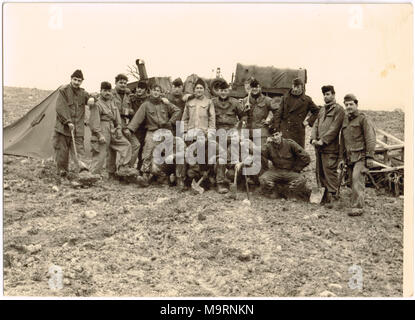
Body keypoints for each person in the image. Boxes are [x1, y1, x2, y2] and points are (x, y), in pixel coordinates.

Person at [125, 84, 181, 185]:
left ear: (160, 92)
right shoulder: (145, 105)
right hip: (152, 131)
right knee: (148, 153)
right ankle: (146, 176)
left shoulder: (165, 103)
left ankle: (169, 176)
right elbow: (137, 118)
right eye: (154, 90)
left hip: (165, 132)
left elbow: (177, 111)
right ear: (150, 91)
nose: (156, 92)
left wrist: (170, 122)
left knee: (169, 154)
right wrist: (130, 129)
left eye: (158, 91)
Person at [339, 94, 376, 216]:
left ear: (356, 104)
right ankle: (354, 201)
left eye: (351, 104)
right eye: (346, 104)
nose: (349, 107)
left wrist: (370, 157)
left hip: (361, 156)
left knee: (356, 179)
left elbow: (370, 138)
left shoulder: (363, 119)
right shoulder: (345, 120)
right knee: (351, 181)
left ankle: (358, 207)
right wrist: (341, 158)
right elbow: (343, 140)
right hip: (350, 157)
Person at [178, 78, 216, 190]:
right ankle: (185, 181)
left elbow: (212, 119)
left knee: (201, 158)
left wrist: (210, 133)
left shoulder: (209, 102)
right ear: (194, 90)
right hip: (190, 134)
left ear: (204, 90)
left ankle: (203, 182)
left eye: (201, 88)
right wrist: (184, 132)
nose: (199, 90)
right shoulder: (189, 102)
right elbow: (184, 118)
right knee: (187, 157)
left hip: (203, 134)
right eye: (197, 88)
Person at [53, 69, 93, 176]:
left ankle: (83, 172)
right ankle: (62, 172)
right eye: (75, 79)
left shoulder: (83, 93)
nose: (76, 82)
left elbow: (92, 98)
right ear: (71, 79)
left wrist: (92, 99)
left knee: (79, 151)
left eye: (79, 81)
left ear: (82, 82)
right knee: (62, 152)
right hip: (63, 128)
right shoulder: (63, 91)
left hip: (78, 130)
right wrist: (68, 121)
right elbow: (60, 107)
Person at [310, 85, 345, 206]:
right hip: (318, 148)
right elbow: (315, 124)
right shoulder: (322, 110)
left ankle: (334, 197)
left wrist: (323, 140)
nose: (326, 96)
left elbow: (334, 128)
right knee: (320, 173)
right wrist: (313, 138)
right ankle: (324, 196)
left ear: (334, 95)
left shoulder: (339, 110)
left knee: (329, 171)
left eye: (328, 94)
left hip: (330, 148)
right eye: (324, 94)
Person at [89, 81, 132, 179]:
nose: (107, 93)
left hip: (113, 129)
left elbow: (117, 117)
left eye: (109, 91)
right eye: (105, 91)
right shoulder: (97, 104)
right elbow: (94, 122)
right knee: (100, 154)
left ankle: (122, 169)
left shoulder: (112, 102)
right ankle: (93, 176)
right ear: (101, 91)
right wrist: (99, 135)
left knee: (126, 145)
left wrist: (119, 128)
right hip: (102, 128)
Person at [212, 80, 247, 193]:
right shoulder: (213, 102)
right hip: (218, 133)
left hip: (232, 133)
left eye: (225, 90)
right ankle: (220, 183)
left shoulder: (235, 102)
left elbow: (243, 116)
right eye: (221, 90)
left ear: (229, 90)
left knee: (234, 156)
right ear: (218, 91)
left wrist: (239, 128)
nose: (223, 93)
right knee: (221, 157)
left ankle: (233, 179)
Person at [259, 131, 311, 200]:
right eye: (273, 136)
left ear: (281, 134)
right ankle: (275, 192)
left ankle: (290, 193)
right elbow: (260, 152)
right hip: (276, 171)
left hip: (290, 171)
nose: (275, 137)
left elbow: (306, 157)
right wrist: (266, 143)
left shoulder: (290, 143)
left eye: (277, 135)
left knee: (301, 180)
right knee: (263, 179)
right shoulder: (269, 146)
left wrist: (297, 168)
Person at [273, 78, 320, 148]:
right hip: (285, 130)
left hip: (298, 132)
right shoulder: (285, 97)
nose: (295, 89)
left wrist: (308, 121)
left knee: (298, 154)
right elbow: (278, 113)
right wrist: (276, 128)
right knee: (284, 153)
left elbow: (317, 111)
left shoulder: (306, 100)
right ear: (292, 86)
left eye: (297, 87)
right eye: (294, 86)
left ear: (302, 87)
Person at [112, 73, 140, 169]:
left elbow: (132, 111)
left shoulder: (128, 96)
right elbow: (113, 110)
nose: (123, 84)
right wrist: (126, 111)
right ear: (115, 83)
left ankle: (127, 167)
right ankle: (115, 169)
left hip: (126, 125)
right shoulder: (111, 94)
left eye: (125, 83)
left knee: (136, 145)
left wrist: (127, 112)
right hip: (114, 126)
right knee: (116, 149)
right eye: (121, 82)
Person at [243, 78, 277, 149]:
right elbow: (241, 115)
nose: (254, 89)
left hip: (261, 132)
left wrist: (269, 120)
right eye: (253, 87)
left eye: (257, 87)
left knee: (261, 154)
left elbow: (277, 112)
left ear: (260, 87)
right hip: (248, 132)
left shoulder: (268, 100)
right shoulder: (245, 100)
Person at [129, 80, 149, 171]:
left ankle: (139, 168)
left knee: (142, 149)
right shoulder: (132, 99)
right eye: (138, 88)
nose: (139, 90)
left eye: (142, 88)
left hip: (145, 126)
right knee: (134, 147)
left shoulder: (148, 100)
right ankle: (129, 167)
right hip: (134, 127)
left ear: (145, 90)